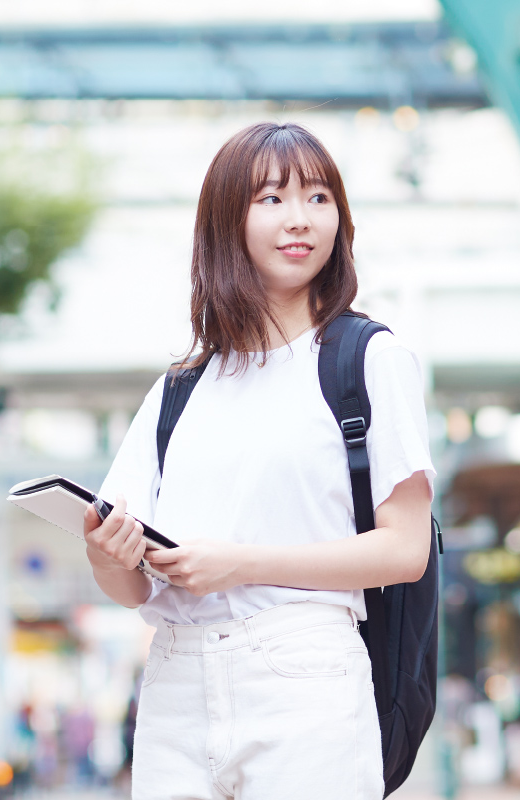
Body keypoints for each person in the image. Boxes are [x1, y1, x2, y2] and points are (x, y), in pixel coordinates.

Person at [82, 121, 436, 800]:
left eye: (318, 197)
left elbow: (404, 550)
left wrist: (240, 564)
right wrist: (108, 554)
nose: (299, 219)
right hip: (175, 686)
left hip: (303, 677)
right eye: (271, 199)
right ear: (225, 221)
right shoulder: (179, 392)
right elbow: (135, 589)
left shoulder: (367, 359)